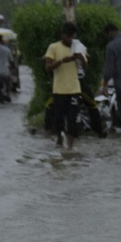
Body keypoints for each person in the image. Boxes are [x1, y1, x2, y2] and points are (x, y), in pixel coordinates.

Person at [43, 22, 85, 150]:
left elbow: (86, 68)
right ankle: (59, 139)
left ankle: (70, 146)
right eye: (67, 37)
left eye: (72, 37)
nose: (69, 40)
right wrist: (61, 61)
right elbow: (48, 67)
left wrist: (81, 58)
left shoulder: (78, 47)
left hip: (74, 90)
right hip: (59, 90)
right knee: (59, 118)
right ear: (63, 35)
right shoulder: (53, 47)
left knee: (72, 119)